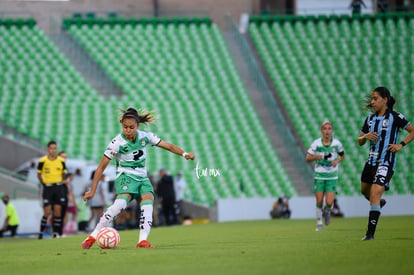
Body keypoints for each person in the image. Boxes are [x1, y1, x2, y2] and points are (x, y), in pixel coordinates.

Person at [81, 107, 195, 249]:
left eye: (131, 127)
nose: (128, 130)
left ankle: (142, 241)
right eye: (125, 127)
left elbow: (169, 146)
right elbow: (100, 168)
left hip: (142, 179)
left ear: (137, 126)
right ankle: (93, 236)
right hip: (126, 177)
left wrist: (184, 154)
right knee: (119, 206)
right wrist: (92, 191)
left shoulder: (145, 137)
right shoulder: (116, 143)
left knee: (148, 205)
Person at [358, 86, 414, 240]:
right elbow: (359, 141)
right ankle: (378, 203)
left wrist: (400, 144)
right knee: (364, 191)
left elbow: (412, 130)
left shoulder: (395, 117)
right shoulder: (369, 119)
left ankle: (370, 234)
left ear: (385, 99)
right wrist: (365, 137)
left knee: (375, 192)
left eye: (375, 98)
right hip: (370, 163)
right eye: (372, 99)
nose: (373, 102)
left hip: (386, 162)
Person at [306, 120, 345, 231]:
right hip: (319, 176)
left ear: (332, 131)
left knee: (329, 202)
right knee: (319, 201)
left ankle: (327, 211)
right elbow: (308, 158)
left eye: (329, 129)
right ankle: (319, 223)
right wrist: (315, 157)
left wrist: (337, 161)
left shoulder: (337, 144)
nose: (327, 131)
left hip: (332, 176)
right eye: (325, 129)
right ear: (321, 131)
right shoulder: (316, 144)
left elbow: (342, 155)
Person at [37, 140, 68, 239]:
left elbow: (63, 173)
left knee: (57, 211)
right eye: (51, 148)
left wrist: (60, 181)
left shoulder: (61, 161)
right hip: (48, 187)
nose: (53, 150)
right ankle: (41, 231)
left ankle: (55, 233)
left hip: (58, 187)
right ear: (48, 149)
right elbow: (39, 174)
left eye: (55, 148)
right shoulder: (42, 161)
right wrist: (44, 184)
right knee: (47, 211)